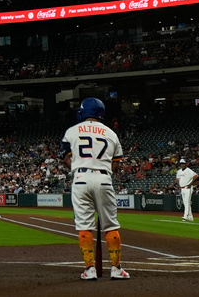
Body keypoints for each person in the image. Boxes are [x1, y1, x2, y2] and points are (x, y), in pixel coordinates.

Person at [61, 98, 130, 281]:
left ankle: (89, 269)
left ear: (84, 112)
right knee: (111, 226)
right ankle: (116, 268)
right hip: (104, 178)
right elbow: (116, 165)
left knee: (84, 227)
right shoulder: (111, 133)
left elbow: (66, 158)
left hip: (81, 178)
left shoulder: (71, 131)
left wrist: (79, 168)